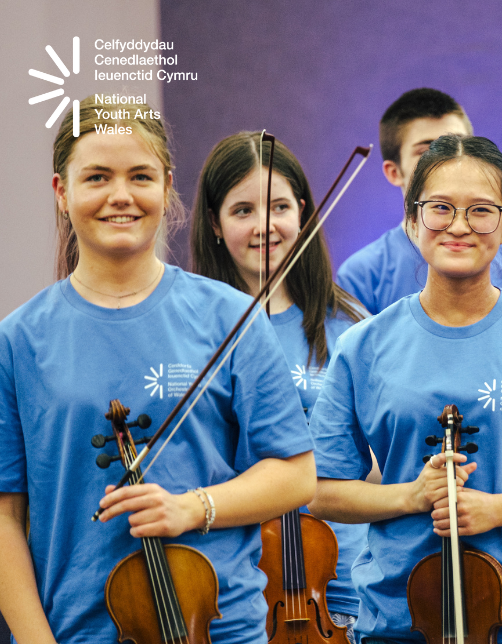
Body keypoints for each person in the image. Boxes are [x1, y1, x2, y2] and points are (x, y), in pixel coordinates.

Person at [0, 97, 315, 644]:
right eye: (96, 177)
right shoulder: (13, 344)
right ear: (61, 193)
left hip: (219, 629)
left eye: (140, 176)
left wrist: (191, 508)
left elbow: (295, 474)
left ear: (166, 187)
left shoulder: (232, 319)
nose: (121, 196)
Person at [309, 134, 502, 643]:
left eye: (481, 210)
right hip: (399, 619)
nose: (459, 226)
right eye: (439, 208)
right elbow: (323, 492)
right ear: (412, 223)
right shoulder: (363, 345)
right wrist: (411, 496)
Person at [191, 131, 368, 641]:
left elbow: (378, 465)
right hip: (232, 592)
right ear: (215, 225)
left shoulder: (352, 327)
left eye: (279, 207)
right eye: (242, 210)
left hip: (337, 591)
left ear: (304, 214)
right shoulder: (193, 329)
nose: (264, 226)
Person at [335, 88, 502, 315]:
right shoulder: (362, 274)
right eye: (426, 150)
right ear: (394, 171)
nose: (447, 160)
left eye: (458, 145)